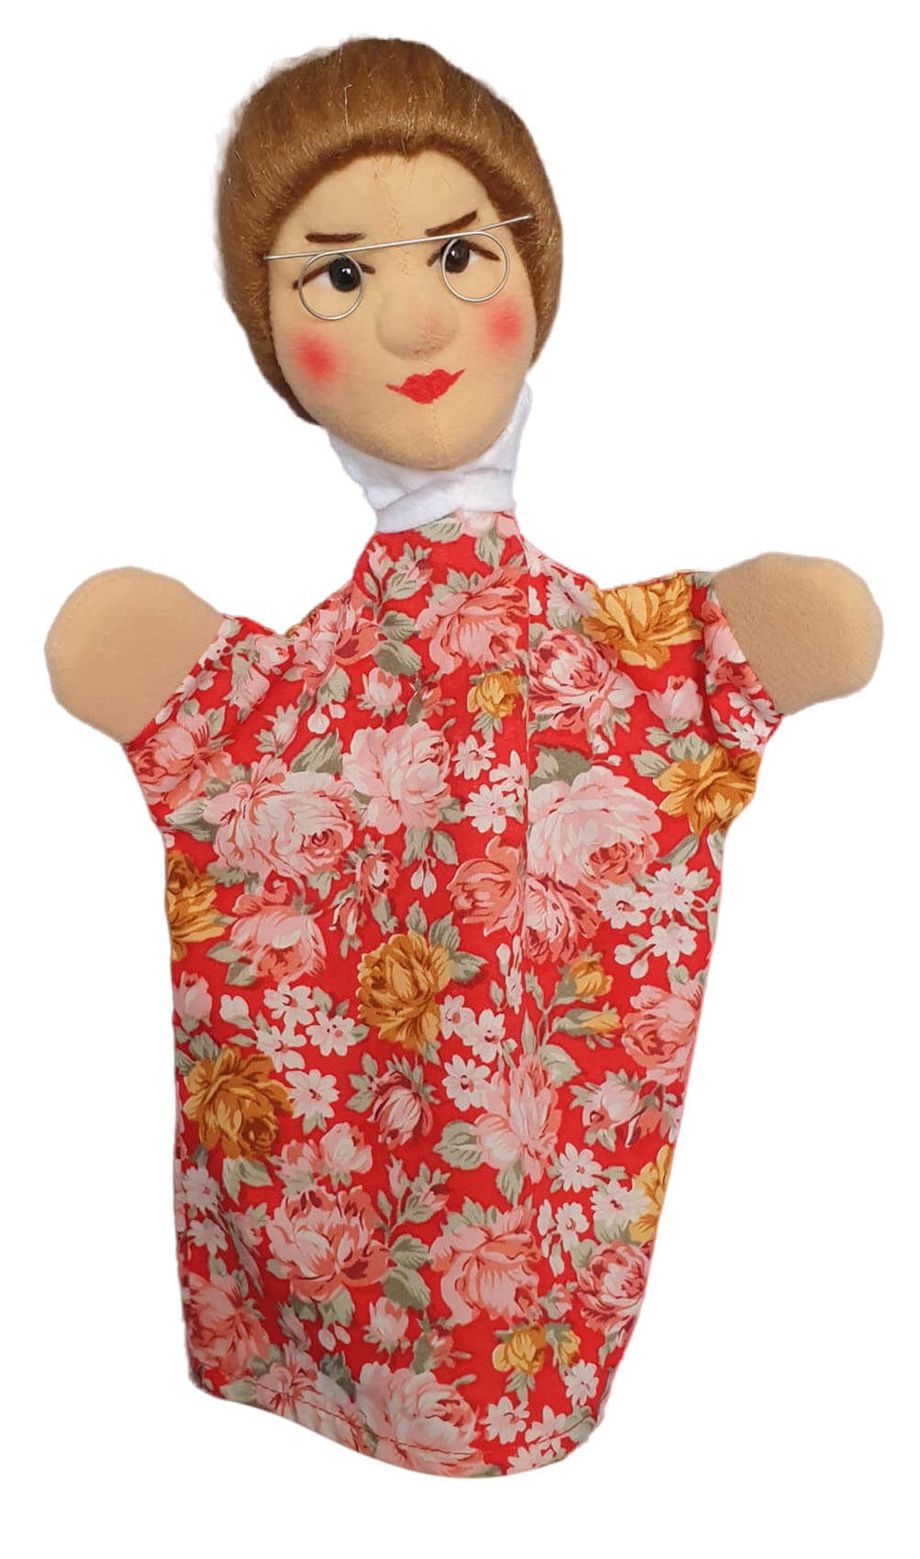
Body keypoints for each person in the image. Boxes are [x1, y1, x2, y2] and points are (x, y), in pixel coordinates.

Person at [44, 38, 882, 1476]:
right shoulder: (281, 701)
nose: (417, 317)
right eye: (340, 274)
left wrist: (743, 632)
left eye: (457, 253)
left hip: (540, 1315)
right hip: (306, 1338)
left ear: (530, 280)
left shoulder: (625, 663)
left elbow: (766, 652)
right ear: (275, 336)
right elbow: (192, 716)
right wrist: (171, 674)